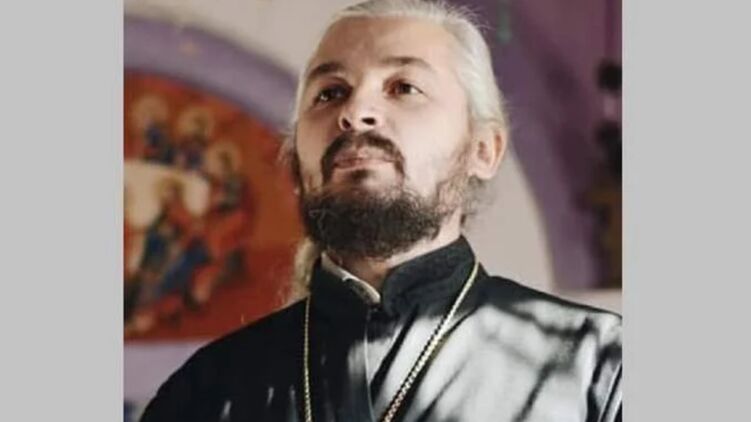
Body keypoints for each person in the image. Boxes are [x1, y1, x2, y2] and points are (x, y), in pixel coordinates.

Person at [140, 1, 622, 421]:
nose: (355, 112)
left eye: (403, 87)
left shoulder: (598, 367)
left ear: (483, 149)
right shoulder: (206, 391)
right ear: (296, 157)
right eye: (330, 92)